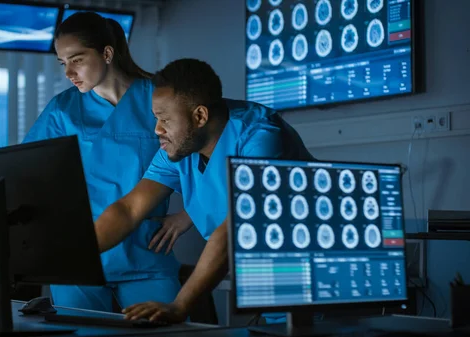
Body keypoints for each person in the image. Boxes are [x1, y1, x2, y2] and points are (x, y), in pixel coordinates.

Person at [91, 58, 314, 322]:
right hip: (267, 284)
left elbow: (234, 228)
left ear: (199, 116)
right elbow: (129, 209)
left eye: (164, 120)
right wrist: (75, 254)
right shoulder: (180, 147)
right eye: (155, 119)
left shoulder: (260, 138)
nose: (157, 130)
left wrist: (179, 306)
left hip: (319, 282)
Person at [22, 12, 192, 312]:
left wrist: (188, 217)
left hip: (145, 254)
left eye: (77, 60)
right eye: (63, 63)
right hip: (79, 257)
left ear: (107, 53)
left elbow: (208, 161)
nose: (69, 73)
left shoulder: (160, 98)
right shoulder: (63, 110)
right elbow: (28, 174)